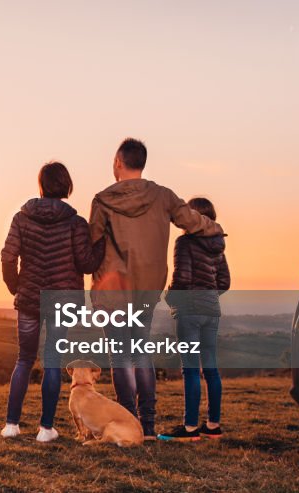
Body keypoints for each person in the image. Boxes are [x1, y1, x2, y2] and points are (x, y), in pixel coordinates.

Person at [88, 138, 222, 440]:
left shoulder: (102, 200)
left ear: (118, 163)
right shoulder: (163, 196)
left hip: (112, 292)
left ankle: (129, 423)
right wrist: (216, 230)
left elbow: (91, 244)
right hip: (147, 290)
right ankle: (147, 426)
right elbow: (193, 221)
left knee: (120, 356)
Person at [0, 161, 105, 442]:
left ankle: (11, 425)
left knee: (23, 359)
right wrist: (102, 244)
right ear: (66, 186)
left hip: (29, 299)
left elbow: (8, 257)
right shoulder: (76, 223)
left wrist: (17, 288)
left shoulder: (21, 218)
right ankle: (46, 429)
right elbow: (85, 263)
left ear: (42, 186)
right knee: (52, 362)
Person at [158, 198, 230, 441]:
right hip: (212, 309)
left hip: (189, 309)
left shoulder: (184, 242)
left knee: (190, 369)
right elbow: (224, 282)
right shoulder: (218, 245)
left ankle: (189, 429)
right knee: (210, 368)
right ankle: (213, 426)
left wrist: (170, 297)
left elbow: (182, 278)